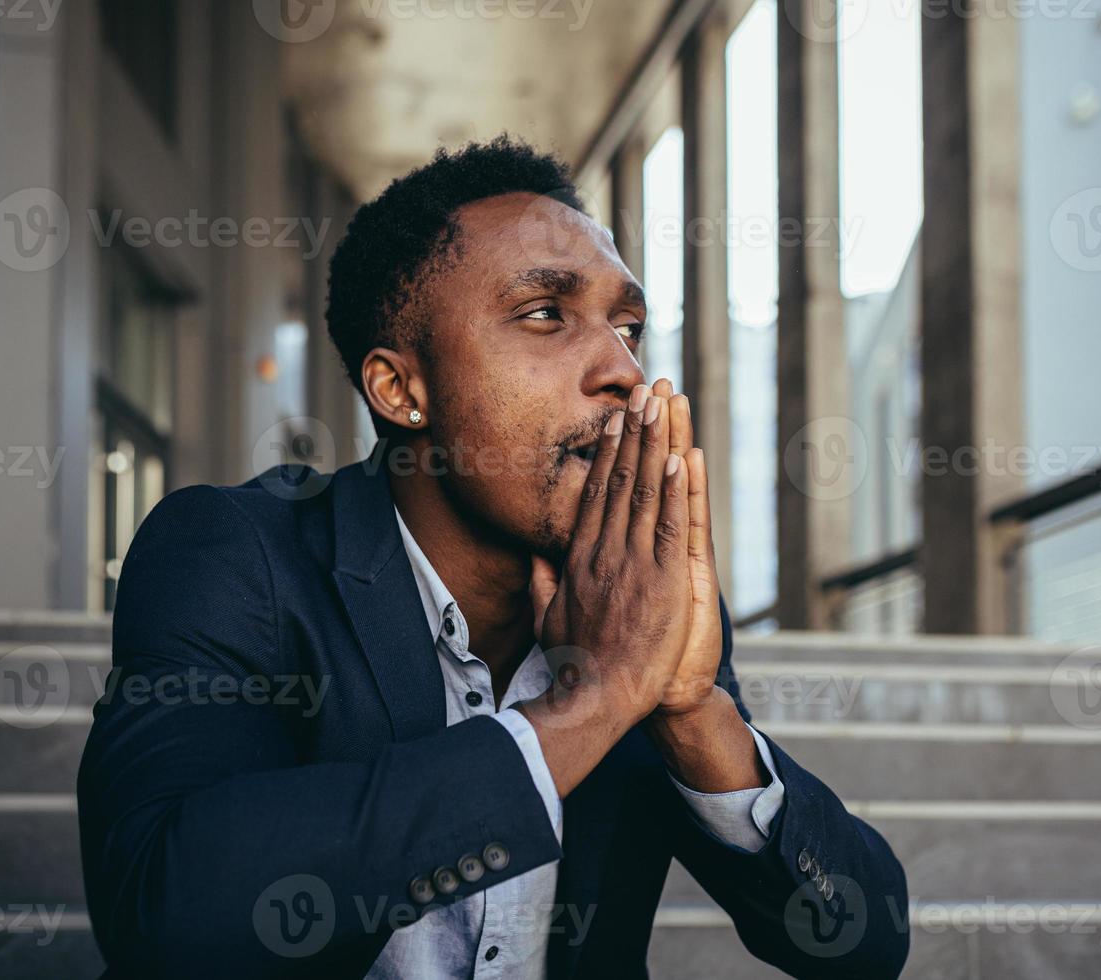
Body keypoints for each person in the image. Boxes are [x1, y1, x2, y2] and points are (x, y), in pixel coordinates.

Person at [77, 136, 909, 979]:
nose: (623, 369)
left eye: (628, 326)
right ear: (402, 391)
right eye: (545, 313)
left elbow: (861, 946)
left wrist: (691, 714)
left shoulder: (639, 601)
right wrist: (595, 700)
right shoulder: (236, 553)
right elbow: (164, 907)